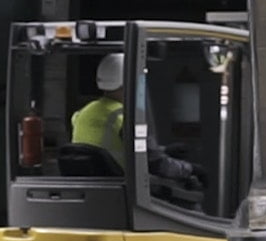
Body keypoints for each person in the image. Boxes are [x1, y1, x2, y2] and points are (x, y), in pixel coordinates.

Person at [69, 53, 198, 185]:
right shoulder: (124, 117)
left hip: (96, 185)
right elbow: (154, 163)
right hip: (122, 188)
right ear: (128, 81)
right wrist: (191, 169)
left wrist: (163, 150)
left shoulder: (83, 112)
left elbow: (110, 147)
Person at [69, 53, 129, 165]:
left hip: (87, 179)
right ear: (126, 83)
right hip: (119, 179)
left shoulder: (82, 112)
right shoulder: (124, 117)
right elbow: (149, 156)